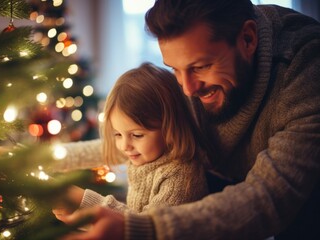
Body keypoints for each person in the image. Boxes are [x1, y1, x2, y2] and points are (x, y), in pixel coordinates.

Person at [56, 0, 320, 239]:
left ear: (248, 39)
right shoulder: (191, 84)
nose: (187, 90)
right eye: (174, 69)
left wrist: (138, 228)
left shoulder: (306, 71)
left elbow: (270, 198)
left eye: (200, 67)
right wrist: (50, 158)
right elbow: (127, 142)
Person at [52, 63, 208, 222]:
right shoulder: (142, 150)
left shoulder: (180, 176)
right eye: (117, 134)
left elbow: (146, 227)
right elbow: (86, 153)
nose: (124, 146)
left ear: (170, 127)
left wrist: (84, 201)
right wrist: (46, 158)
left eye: (137, 135)